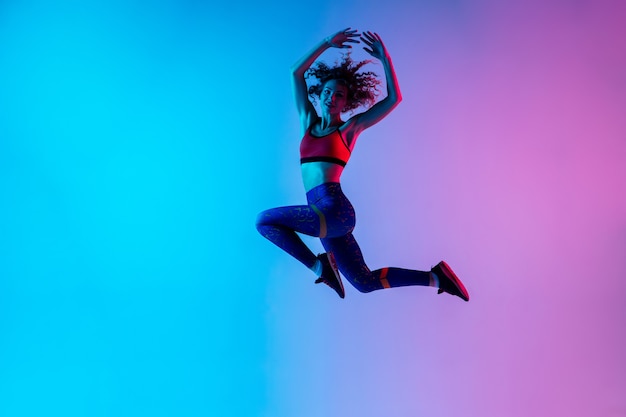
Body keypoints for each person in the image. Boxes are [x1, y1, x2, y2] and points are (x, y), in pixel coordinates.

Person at [256, 28, 469, 301]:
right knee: (364, 282)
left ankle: (320, 267)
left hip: (334, 210)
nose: (332, 98)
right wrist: (325, 43)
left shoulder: (349, 129)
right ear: (319, 93)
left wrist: (385, 58)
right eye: (328, 92)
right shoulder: (307, 123)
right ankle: (437, 277)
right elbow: (295, 73)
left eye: (339, 95)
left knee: (265, 222)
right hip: (322, 214)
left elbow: (394, 99)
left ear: (347, 101)